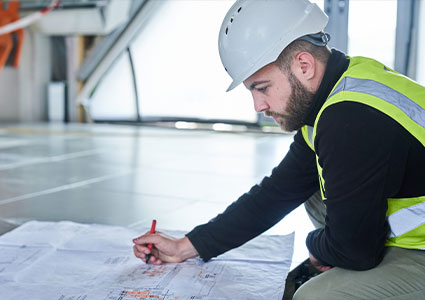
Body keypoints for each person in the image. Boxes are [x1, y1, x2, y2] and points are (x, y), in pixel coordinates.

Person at [133, 0, 425, 298]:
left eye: (262, 88)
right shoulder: (343, 85)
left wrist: (320, 249)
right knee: (311, 188)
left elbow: (356, 253)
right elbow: (277, 191)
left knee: (315, 296)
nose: (259, 106)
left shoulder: (349, 119)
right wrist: (186, 246)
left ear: (303, 65)